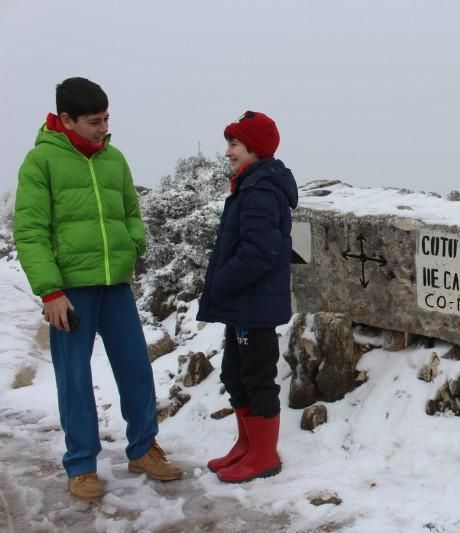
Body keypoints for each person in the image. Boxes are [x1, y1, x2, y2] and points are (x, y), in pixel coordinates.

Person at [13, 77, 182, 501]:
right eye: (93, 121)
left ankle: (143, 449)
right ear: (65, 120)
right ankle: (81, 465)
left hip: (115, 286)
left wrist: (133, 242)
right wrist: (50, 292)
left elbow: (130, 210)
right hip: (70, 290)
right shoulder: (40, 163)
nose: (103, 128)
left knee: (136, 370)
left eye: (106, 118)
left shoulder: (114, 159)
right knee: (74, 379)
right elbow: (30, 232)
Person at [197, 110, 298, 483]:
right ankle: (247, 446)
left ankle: (264, 454)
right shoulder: (249, 185)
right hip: (244, 303)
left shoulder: (262, 190)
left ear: (254, 148)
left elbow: (259, 252)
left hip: (254, 305)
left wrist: (220, 283)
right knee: (235, 375)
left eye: (234, 144)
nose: (228, 152)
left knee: (257, 377)